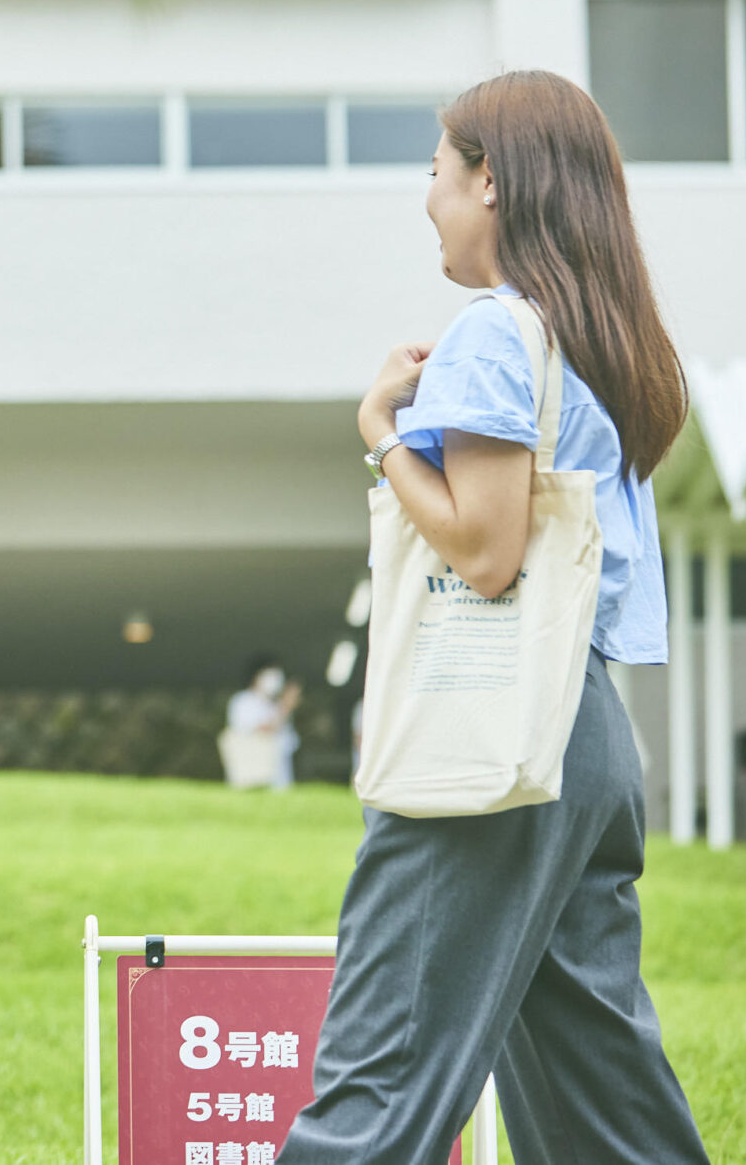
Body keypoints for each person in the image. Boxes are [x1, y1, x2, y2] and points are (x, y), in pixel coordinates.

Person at [282, 71, 710, 1165]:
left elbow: (481, 549)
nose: (425, 198)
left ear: (490, 182)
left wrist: (380, 432)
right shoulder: (602, 350)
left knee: (381, 1072)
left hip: (491, 722)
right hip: (589, 732)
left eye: (434, 172)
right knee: (598, 1093)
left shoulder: (488, 335)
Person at [221, 656, 301, 789]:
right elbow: (261, 730)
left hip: (280, 775)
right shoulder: (243, 702)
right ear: (256, 676)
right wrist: (286, 708)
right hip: (252, 776)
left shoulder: (274, 705)